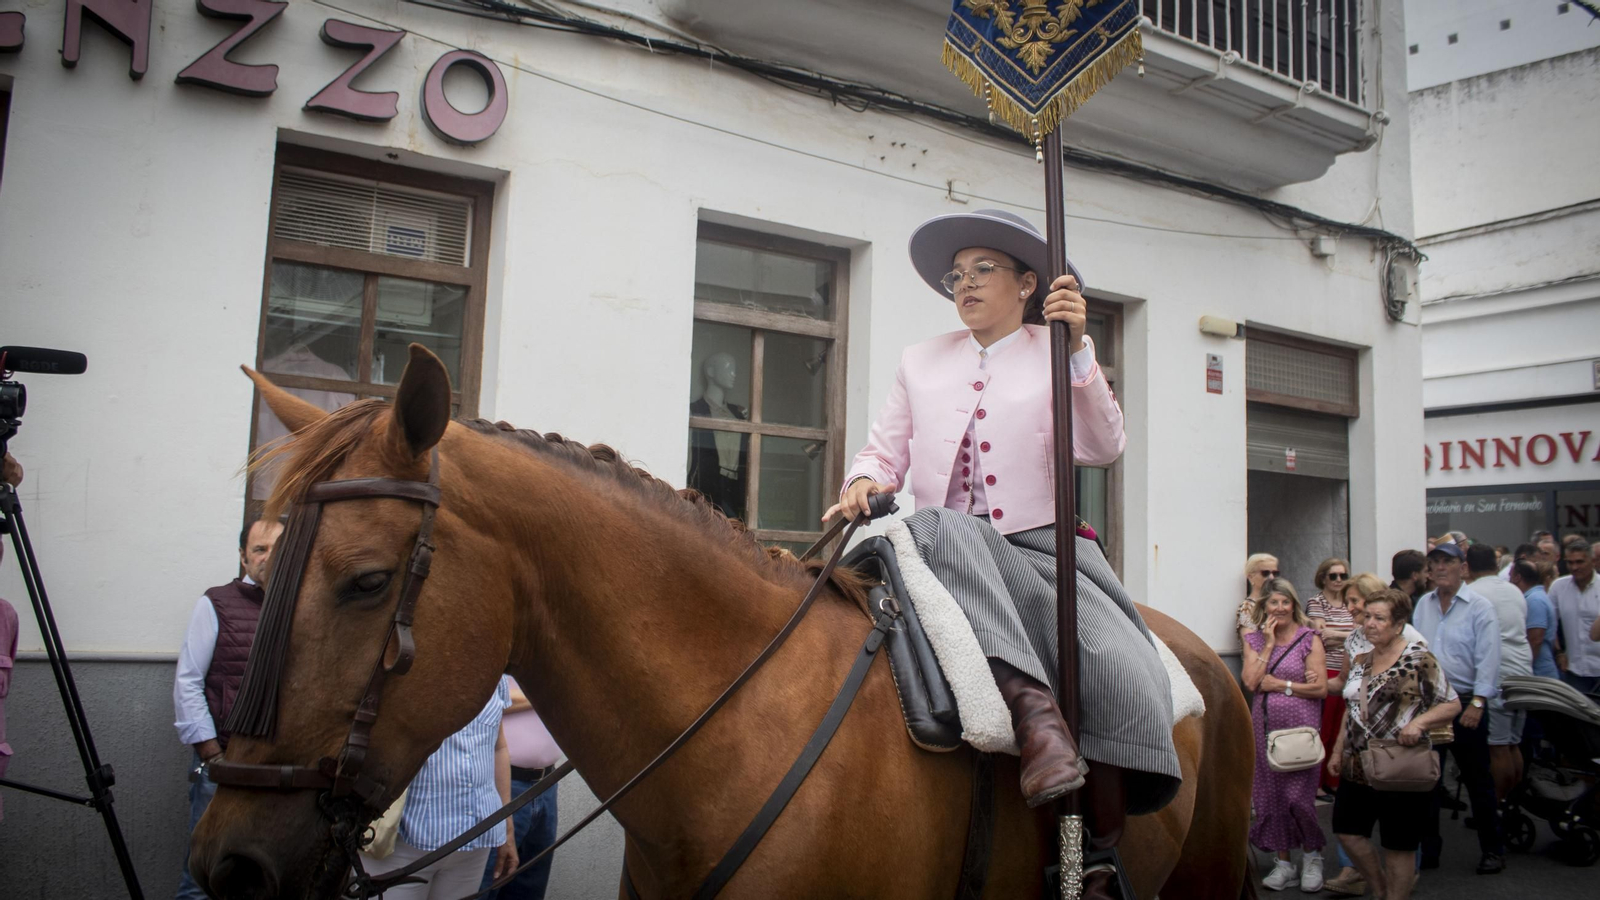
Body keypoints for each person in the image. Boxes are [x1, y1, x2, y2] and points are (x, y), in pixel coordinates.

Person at [828, 208, 1178, 897]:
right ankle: (1035, 716)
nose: (964, 283)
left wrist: (1078, 351)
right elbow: (882, 450)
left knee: (1121, 667)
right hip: (940, 545)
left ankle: (1098, 854)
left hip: (1041, 548)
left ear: (1028, 285)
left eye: (983, 269)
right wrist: (864, 479)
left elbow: (1103, 448)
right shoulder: (919, 361)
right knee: (936, 525)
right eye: (956, 274)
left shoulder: (1055, 354)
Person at [171, 517, 285, 900]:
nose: (269, 557)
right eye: (259, 549)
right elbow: (188, 681)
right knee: (204, 878)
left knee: (267, 880)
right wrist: (210, 753)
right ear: (243, 557)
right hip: (224, 766)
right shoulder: (216, 603)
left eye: (278, 548)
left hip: (281, 770)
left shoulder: (303, 606)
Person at [1329, 590, 1461, 900]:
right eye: (1367, 617)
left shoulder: (1418, 658)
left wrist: (1419, 723)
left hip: (1400, 766)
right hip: (1358, 765)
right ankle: (1381, 889)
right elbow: (1352, 710)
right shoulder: (1362, 660)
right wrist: (1337, 750)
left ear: (1399, 624)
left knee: (1398, 844)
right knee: (1347, 831)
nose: (1369, 624)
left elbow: (1452, 704)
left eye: (1379, 618)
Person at [362, 677, 517, 898]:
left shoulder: (494, 678)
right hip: (403, 845)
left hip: (474, 844)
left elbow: (498, 747)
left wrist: (507, 828)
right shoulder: (414, 668)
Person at [1413, 541, 1505, 875]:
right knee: (1428, 780)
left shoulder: (1479, 607)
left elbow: (1489, 657)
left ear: (1462, 567)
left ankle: (1493, 849)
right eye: (1434, 562)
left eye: (1446, 562)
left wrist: (1479, 702)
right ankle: (1429, 850)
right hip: (1432, 703)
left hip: (1466, 703)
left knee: (1478, 780)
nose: (1439, 568)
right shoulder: (1424, 604)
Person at [1241, 577, 1328, 891]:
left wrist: (1282, 686)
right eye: (1273, 603)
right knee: (1271, 798)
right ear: (1265, 607)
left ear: (1294, 604)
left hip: (1300, 730)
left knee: (1299, 800)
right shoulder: (1253, 640)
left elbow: (1319, 688)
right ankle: (1284, 863)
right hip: (1265, 729)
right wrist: (1267, 644)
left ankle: (1312, 857)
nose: (1279, 608)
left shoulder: (1309, 638)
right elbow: (1251, 682)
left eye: (1285, 602)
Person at [481, 678, 561, 900]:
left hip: (546, 786)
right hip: (504, 786)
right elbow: (485, 700)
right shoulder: (499, 653)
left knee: (530, 885)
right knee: (489, 881)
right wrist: (543, 695)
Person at [1463, 544, 1531, 804]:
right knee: (1513, 743)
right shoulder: (1514, 590)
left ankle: (1499, 804)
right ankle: (1511, 803)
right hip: (1523, 671)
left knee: (1498, 747)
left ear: (1467, 566)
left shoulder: (1472, 593)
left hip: (1499, 674)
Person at [1308, 558, 1355, 795]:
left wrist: (1341, 635)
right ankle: (1316, 783)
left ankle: (1333, 779)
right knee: (1323, 728)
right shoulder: (1317, 603)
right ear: (1323, 578)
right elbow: (1322, 634)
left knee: (1341, 728)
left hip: (1351, 670)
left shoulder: (1350, 602)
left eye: (1343, 576)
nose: (1338, 580)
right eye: (1333, 576)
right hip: (1327, 670)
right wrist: (1353, 635)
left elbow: (1363, 631)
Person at [1550, 538, 1600, 696]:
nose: (1574, 567)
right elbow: (1550, 624)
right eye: (1570, 563)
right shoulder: (1558, 587)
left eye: (1579, 562)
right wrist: (1559, 652)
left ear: (1592, 561)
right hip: (1574, 670)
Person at [1510, 561, 1560, 679]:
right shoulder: (1535, 596)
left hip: (1540, 672)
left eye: (1510, 576)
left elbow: (1535, 640)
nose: (1509, 581)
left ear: (1517, 577)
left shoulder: (1535, 600)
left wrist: (1525, 667)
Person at [1239, 553, 1282, 646]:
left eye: (1275, 573)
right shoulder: (1247, 608)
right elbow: (1250, 646)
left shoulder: (1281, 603)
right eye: (1265, 573)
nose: (1271, 577)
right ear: (1250, 577)